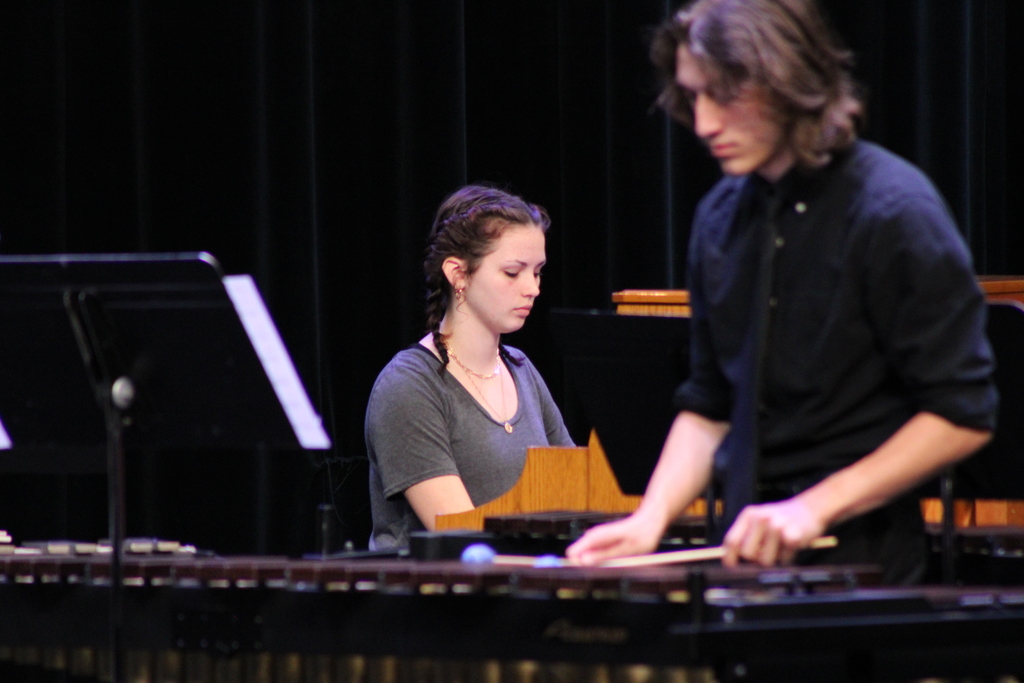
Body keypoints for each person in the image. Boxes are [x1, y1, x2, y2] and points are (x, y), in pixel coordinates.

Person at [566, 0, 997, 584]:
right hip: (742, 556)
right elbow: (710, 402)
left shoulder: (893, 212)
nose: (704, 124)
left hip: (862, 567)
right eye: (695, 97)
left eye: (724, 96)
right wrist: (651, 520)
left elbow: (962, 414)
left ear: (787, 80)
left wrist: (813, 505)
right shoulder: (719, 219)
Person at [366, 185, 574, 550]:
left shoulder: (523, 370)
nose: (533, 289)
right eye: (513, 273)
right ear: (458, 274)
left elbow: (577, 489)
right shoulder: (408, 386)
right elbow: (460, 537)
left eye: (537, 272)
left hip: (523, 587)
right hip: (440, 599)